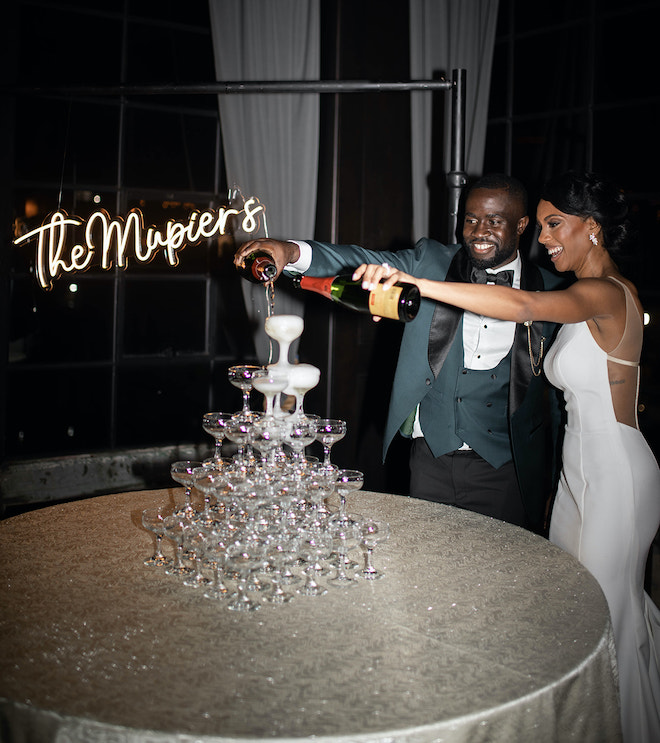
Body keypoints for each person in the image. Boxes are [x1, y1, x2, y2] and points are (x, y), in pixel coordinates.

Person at [355, 170, 660, 743]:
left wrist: (418, 285)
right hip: (578, 471)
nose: (543, 238)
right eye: (542, 226)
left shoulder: (605, 293)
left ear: (591, 229)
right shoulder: (578, 296)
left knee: (607, 617)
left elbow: (518, 304)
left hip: (616, 471)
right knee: (572, 612)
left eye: (553, 225)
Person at [235, 174, 565, 532]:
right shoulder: (431, 262)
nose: (479, 231)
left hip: (506, 470)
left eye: (494, 221)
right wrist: (292, 252)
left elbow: (561, 402)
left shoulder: (552, 291)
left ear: (521, 225)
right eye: (471, 220)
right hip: (429, 462)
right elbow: (358, 260)